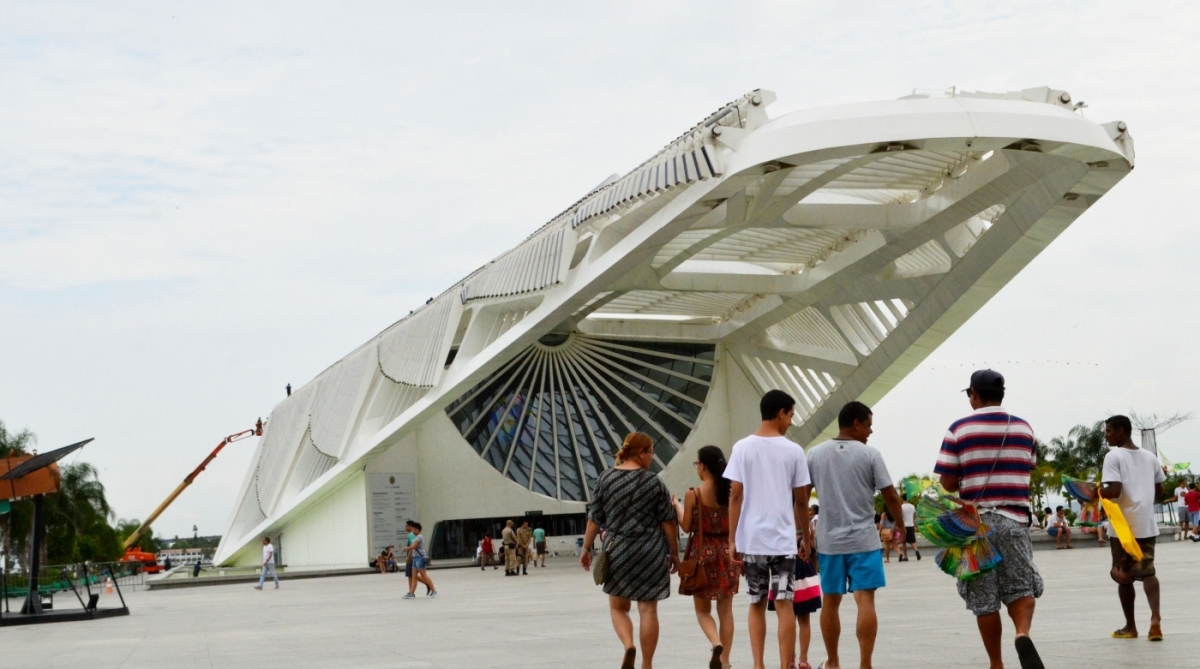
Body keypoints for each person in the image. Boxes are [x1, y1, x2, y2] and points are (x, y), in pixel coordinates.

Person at [933, 369, 1044, 669]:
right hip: (1013, 521)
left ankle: (996, 663)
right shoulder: (1024, 428)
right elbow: (1027, 469)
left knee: (984, 600)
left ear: (974, 394)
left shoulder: (958, 429)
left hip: (976, 526)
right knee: (1021, 588)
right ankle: (1022, 634)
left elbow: (948, 482)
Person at [806, 401, 906, 669]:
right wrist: (900, 526)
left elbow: (801, 496)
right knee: (865, 600)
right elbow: (891, 495)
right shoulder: (870, 455)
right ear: (856, 423)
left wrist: (803, 532)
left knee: (831, 601)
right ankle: (865, 664)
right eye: (869, 425)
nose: (870, 432)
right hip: (864, 540)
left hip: (829, 542)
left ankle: (834, 662)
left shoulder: (814, 455)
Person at [724, 390, 812, 669]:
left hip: (752, 540)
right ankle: (785, 665)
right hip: (782, 540)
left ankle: (758, 665)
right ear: (780, 413)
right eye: (791, 415)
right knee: (785, 604)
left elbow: (735, 495)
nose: (790, 422)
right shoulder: (794, 451)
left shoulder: (741, 448)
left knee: (756, 602)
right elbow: (801, 500)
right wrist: (806, 538)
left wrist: (732, 539)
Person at [580, 432, 679, 669]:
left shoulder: (606, 478)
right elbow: (668, 522)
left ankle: (628, 645)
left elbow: (595, 518)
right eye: (651, 452)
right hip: (650, 552)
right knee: (647, 610)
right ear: (641, 453)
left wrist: (586, 548)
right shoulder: (654, 482)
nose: (653, 457)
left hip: (618, 551)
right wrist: (674, 552)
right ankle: (646, 664)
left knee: (618, 607)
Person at [672, 445, 740, 669]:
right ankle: (726, 661)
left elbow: (687, 526)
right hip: (728, 553)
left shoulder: (694, 494)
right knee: (726, 611)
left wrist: (677, 506)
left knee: (703, 611)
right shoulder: (731, 491)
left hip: (702, 554)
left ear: (703, 466)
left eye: (697, 464)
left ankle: (715, 642)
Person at [1100, 415, 1164, 640]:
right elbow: (1160, 492)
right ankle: (1155, 620)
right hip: (1146, 525)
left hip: (1122, 527)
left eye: (1108, 431)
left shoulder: (1113, 456)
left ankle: (1131, 627)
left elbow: (1114, 490)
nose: (1106, 435)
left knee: (1123, 576)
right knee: (1148, 572)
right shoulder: (1150, 457)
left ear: (1120, 431)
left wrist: (1094, 491)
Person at [403, 521, 437, 599]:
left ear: (419, 530)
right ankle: (411, 593)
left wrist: (406, 548)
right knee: (414, 576)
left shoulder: (419, 537)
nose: (413, 530)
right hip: (415, 558)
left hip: (420, 558)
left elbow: (413, 547)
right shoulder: (414, 537)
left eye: (415, 529)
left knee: (423, 575)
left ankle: (434, 590)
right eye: (413, 529)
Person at [899, 494, 921, 561]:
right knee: (912, 541)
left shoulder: (901, 507)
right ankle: (916, 551)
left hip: (904, 526)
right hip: (911, 525)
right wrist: (914, 524)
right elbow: (914, 516)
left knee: (903, 542)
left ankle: (906, 557)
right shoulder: (912, 506)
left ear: (902, 499)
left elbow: (900, 517)